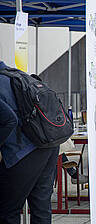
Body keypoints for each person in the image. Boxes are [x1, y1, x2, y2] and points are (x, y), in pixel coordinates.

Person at [0, 62, 59, 223]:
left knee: (7, 211)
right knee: (41, 208)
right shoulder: (17, 75)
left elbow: (9, 120)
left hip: (23, 150)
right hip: (48, 145)